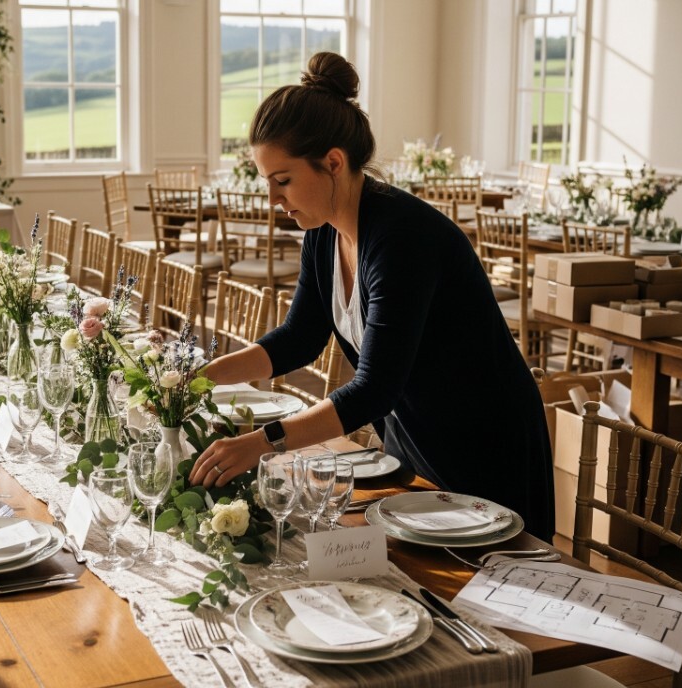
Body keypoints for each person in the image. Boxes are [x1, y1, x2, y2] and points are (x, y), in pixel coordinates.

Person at [189, 52, 554, 541]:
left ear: (333, 162)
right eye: (267, 182)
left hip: (481, 439)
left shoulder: (402, 238)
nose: (274, 201)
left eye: (283, 181)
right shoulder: (323, 231)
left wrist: (262, 443)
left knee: (489, 589)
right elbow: (299, 338)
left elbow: (374, 388)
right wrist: (199, 379)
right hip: (415, 434)